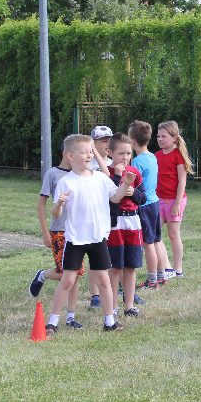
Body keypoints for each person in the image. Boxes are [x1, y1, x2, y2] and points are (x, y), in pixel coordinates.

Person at [46, 133, 135, 333]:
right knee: (68, 280)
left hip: (97, 238)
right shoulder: (66, 182)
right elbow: (55, 213)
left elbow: (115, 197)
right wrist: (59, 203)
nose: (89, 155)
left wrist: (126, 184)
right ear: (70, 156)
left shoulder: (101, 178)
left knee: (103, 280)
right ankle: (52, 322)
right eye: (84, 152)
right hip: (75, 240)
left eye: (90, 152)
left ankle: (109, 321)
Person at [28, 138, 85, 329]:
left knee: (76, 274)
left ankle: (71, 316)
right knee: (66, 274)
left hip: (78, 232)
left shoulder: (82, 174)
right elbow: (41, 205)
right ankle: (43, 275)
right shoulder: (53, 174)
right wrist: (45, 233)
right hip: (59, 231)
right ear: (67, 154)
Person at [106, 132, 146, 319]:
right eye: (121, 153)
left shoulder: (135, 172)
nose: (125, 157)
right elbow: (109, 197)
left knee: (131, 266)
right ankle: (112, 306)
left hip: (133, 223)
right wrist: (118, 177)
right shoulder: (105, 173)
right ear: (110, 153)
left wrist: (133, 193)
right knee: (115, 267)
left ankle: (129, 305)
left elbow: (143, 198)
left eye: (128, 153)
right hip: (114, 224)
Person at [128, 120, 171, 289]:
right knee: (156, 240)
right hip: (155, 203)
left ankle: (152, 280)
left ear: (132, 141)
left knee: (148, 244)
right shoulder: (152, 156)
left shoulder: (137, 162)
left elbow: (134, 185)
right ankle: (161, 275)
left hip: (144, 205)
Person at [155, 120, 193, 278]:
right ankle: (164, 266)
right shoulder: (156, 156)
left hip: (174, 200)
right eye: (158, 136)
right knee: (155, 234)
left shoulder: (178, 155)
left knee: (173, 234)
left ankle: (178, 269)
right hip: (159, 199)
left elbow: (182, 182)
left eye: (163, 136)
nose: (160, 139)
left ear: (174, 138)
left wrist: (177, 204)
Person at [85, 125, 113, 308]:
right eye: (103, 141)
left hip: (109, 215)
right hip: (93, 216)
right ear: (93, 143)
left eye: (109, 140)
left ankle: (114, 287)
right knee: (94, 255)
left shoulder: (113, 160)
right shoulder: (88, 164)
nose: (107, 144)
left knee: (109, 254)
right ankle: (95, 294)